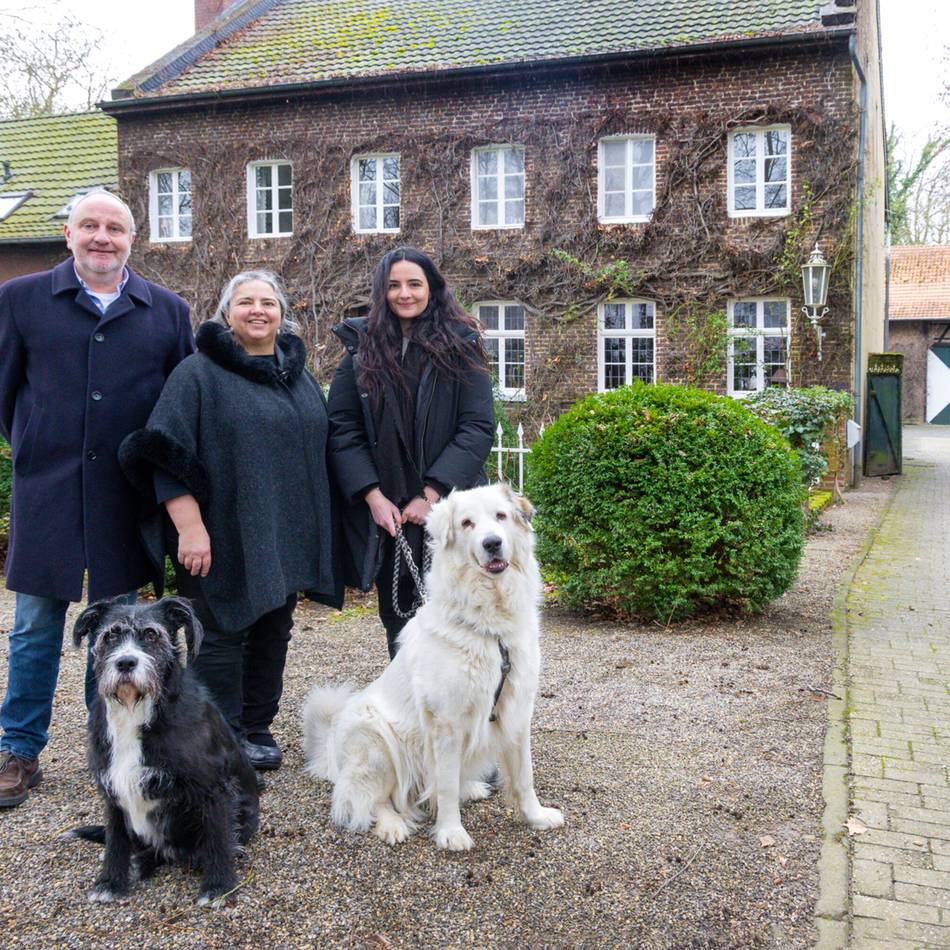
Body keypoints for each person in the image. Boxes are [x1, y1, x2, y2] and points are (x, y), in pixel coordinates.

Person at [0, 191, 195, 808]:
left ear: (132, 239)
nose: (102, 237)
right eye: (90, 226)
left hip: (124, 495)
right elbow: (4, 394)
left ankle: (115, 750)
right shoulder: (20, 300)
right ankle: (18, 749)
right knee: (34, 626)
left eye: (115, 227)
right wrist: (34, 443)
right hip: (48, 489)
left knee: (120, 631)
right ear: (69, 233)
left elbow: (178, 407)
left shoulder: (166, 311)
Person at [119, 270, 342, 771]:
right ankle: (220, 734)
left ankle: (257, 727)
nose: (258, 310)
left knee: (273, 631)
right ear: (226, 313)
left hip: (284, 532)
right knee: (219, 635)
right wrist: (189, 526)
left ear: (282, 314)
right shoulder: (197, 374)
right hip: (220, 532)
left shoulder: (297, 375)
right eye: (246, 302)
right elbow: (163, 452)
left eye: (268, 302)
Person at [329, 246, 494, 658]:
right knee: (400, 618)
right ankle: (412, 708)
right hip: (389, 511)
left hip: (449, 506)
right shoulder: (359, 348)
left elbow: (476, 426)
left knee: (465, 613)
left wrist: (432, 494)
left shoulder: (462, 343)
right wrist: (372, 495)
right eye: (394, 285)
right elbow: (342, 427)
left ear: (431, 288)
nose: (405, 293)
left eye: (414, 284)